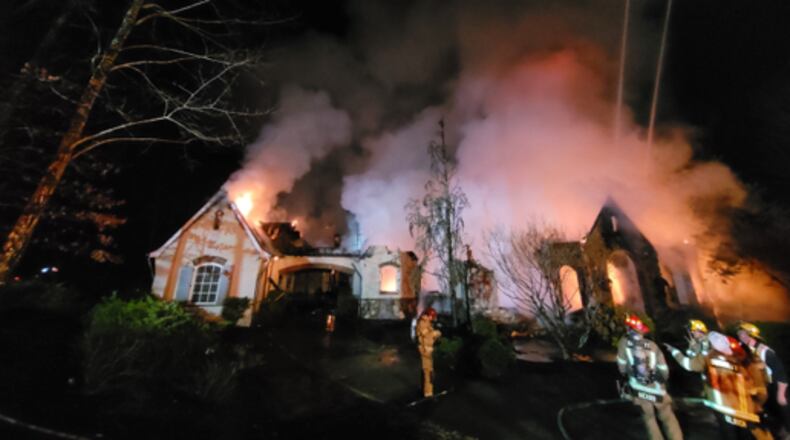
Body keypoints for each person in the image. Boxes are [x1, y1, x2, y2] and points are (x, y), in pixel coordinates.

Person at [678, 331, 772, 439]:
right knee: (745, 433)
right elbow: (756, 387)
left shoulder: (709, 358)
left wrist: (674, 351)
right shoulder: (737, 361)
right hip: (743, 408)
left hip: (723, 407)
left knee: (730, 434)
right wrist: (757, 403)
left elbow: (690, 365)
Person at [616, 314, 683, 440]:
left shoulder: (623, 344)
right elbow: (663, 369)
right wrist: (662, 380)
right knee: (668, 417)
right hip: (657, 389)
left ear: (628, 329)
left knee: (649, 420)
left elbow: (622, 367)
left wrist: (627, 374)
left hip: (639, 389)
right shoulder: (652, 345)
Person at [737, 322, 789, 439]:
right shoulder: (744, 350)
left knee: (781, 412)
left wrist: (781, 393)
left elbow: (780, 373)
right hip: (758, 389)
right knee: (765, 415)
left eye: (744, 334)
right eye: (740, 334)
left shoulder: (765, 351)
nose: (741, 337)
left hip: (772, 387)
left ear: (752, 335)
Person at [416, 307, 441, 398]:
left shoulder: (427, 322)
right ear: (429, 315)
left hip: (428, 349)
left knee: (428, 371)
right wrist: (435, 333)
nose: (432, 319)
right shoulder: (423, 322)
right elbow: (425, 335)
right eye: (432, 317)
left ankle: (427, 391)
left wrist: (435, 334)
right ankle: (428, 393)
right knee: (428, 372)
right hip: (425, 350)